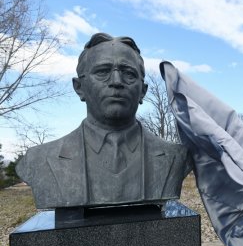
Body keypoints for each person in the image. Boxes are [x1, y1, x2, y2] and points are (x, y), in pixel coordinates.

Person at [16, 33, 193, 209]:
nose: (116, 81)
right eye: (102, 72)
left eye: (129, 74)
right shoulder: (39, 159)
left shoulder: (177, 157)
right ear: (79, 88)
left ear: (143, 91)